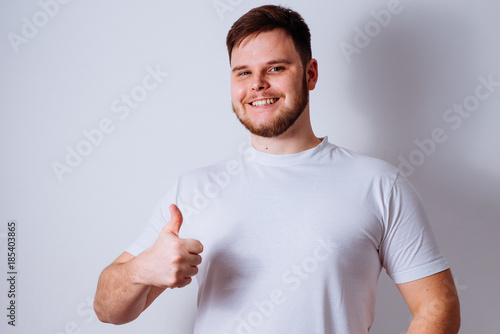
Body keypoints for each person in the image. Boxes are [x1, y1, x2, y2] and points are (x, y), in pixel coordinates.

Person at [94, 5, 460, 333]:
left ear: (310, 74)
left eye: (276, 68)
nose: (257, 85)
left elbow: (437, 305)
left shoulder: (380, 185)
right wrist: (143, 269)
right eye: (243, 73)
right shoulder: (192, 190)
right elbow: (107, 310)